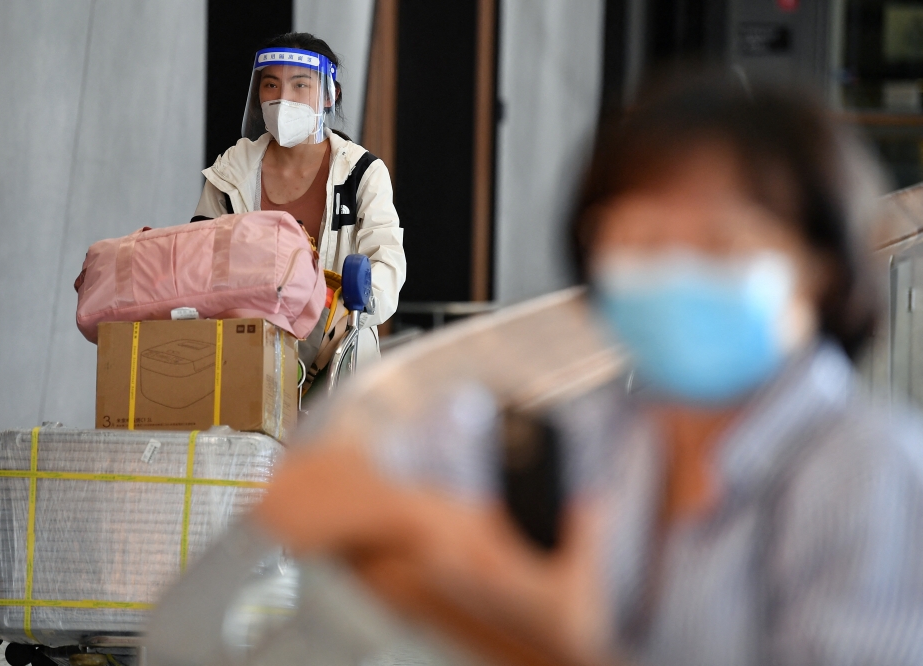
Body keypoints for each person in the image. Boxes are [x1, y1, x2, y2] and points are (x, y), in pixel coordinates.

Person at [250, 73, 923, 666]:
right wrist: (458, 543)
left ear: (822, 266)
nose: (672, 272)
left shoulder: (870, 471)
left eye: (721, 241)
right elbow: (308, 492)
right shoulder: (600, 432)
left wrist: (544, 627)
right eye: (637, 239)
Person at [193, 32, 406, 374]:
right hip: (244, 360)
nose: (283, 99)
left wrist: (346, 313)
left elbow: (386, 265)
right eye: (271, 85)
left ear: (329, 94)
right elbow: (199, 260)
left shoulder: (361, 172)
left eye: (300, 85)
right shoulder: (231, 171)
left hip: (337, 362)